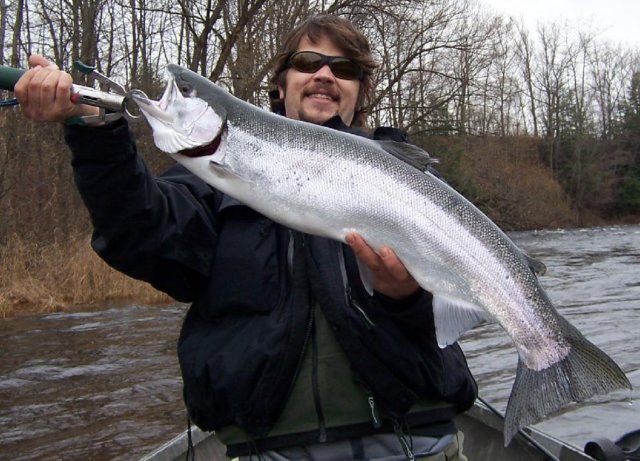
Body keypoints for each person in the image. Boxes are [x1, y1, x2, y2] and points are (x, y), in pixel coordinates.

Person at [16, 14, 477, 461]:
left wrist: (407, 296)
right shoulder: (212, 180)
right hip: (267, 449)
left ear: (360, 91)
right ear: (280, 83)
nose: (324, 75)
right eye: (307, 62)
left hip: (414, 445)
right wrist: (96, 134)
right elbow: (142, 236)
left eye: (344, 69)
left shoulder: (412, 189)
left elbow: (452, 317)